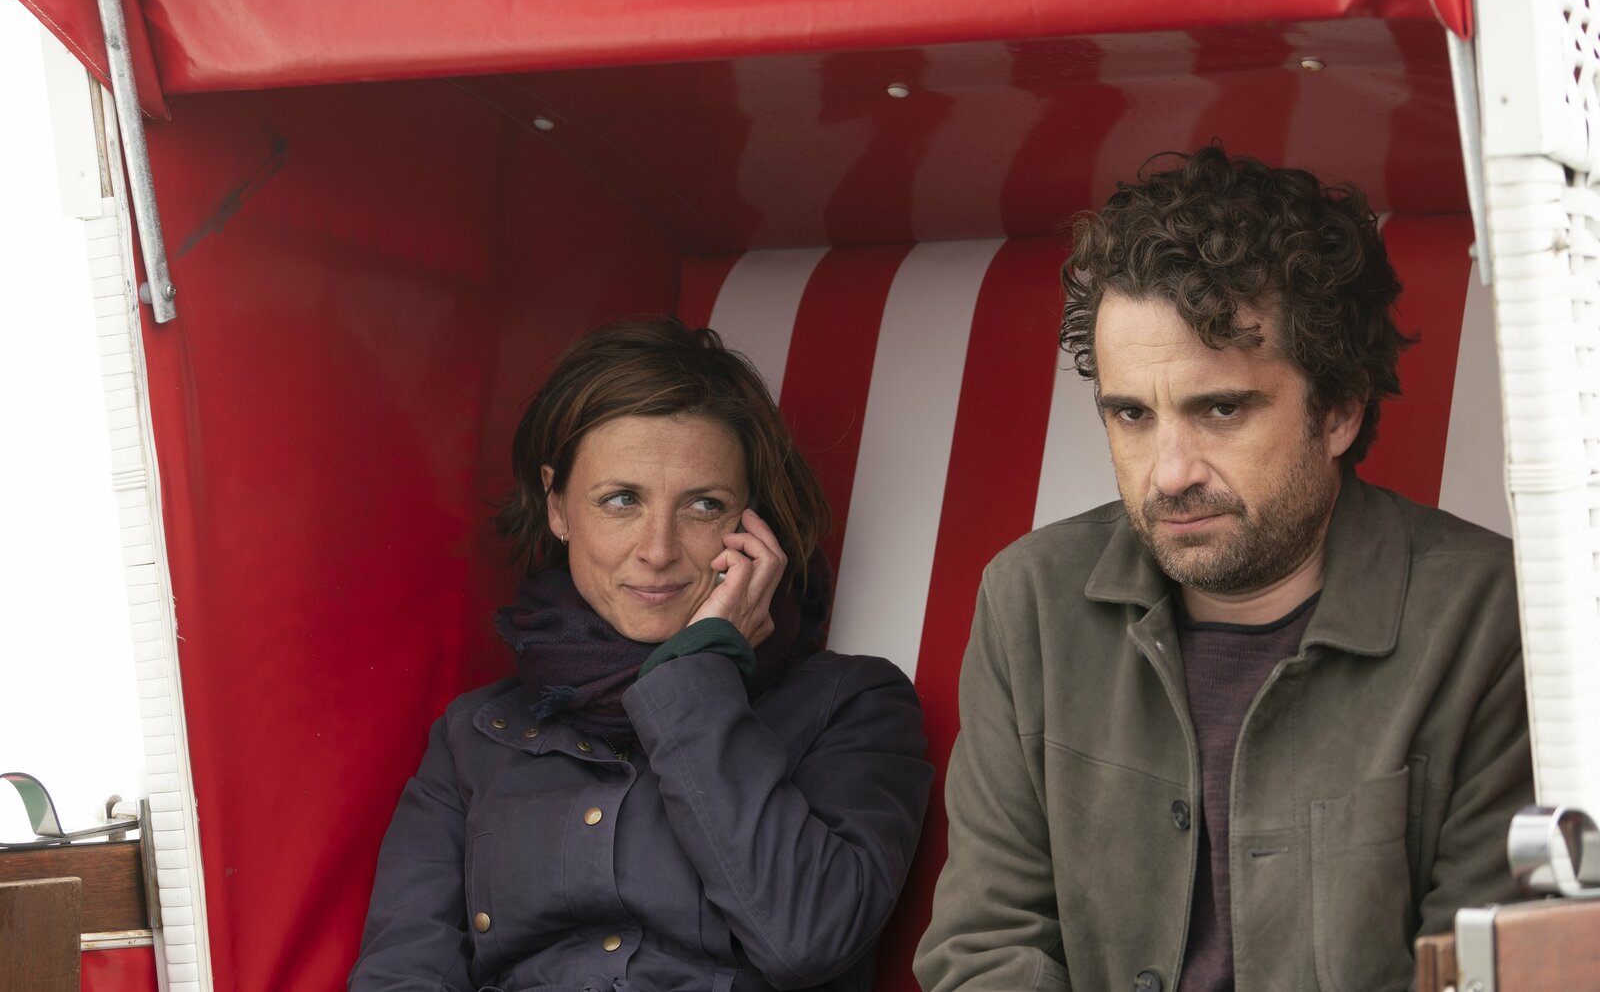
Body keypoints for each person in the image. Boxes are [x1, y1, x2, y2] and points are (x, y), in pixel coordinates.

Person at [914, 147, 1533, 992]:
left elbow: (1487, 970)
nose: (1170, 472)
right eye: (1132, 415)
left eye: (1221, 408)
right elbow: (986, 949)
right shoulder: (1030, 602)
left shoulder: (1487, 616)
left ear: (1339, 410)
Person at [350, 318, 933, 992]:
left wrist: (700, 669)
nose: (658, 550)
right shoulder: (475, 735)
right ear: (558, 506)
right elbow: (401, 973)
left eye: (703, 505)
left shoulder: (854, 706)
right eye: (622, 500)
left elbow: (806, 940)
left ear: (753, 522)